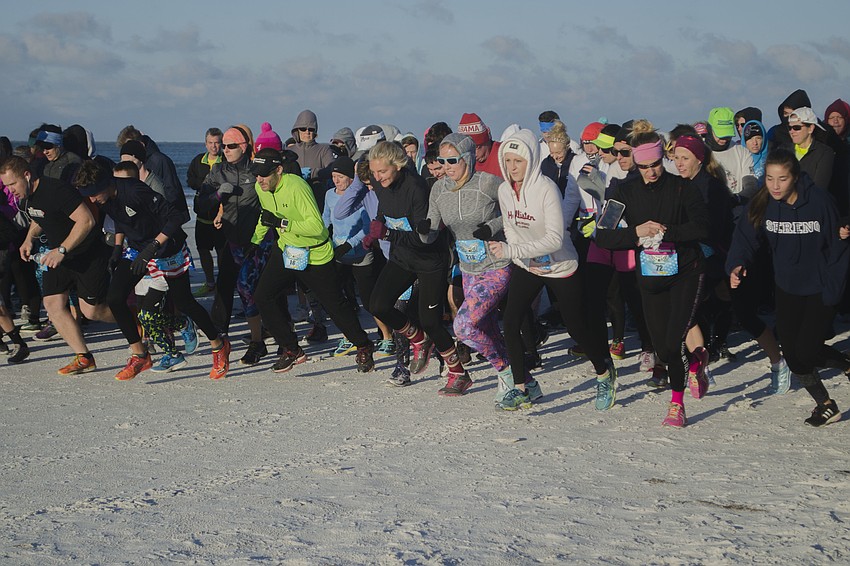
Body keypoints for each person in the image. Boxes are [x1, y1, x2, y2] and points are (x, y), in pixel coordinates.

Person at [489, 129, 616, 411]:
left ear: (531, 160)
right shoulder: (503, 190)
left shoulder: (546, 188)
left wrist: (513, 252)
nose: (512, 168)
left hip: (561, 265)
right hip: (529, 265)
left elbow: (555, 238)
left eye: (518, 161)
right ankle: (524, 387)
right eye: (508, 161)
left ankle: (604, 372)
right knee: (510, 320)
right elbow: (510, 227)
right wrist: (518, 253)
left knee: (577, 327)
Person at [595, 120, 711, 427]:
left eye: (656, 164)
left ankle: (676, 404)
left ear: (665, 159)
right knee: (662, 347)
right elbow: (602, 235)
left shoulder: (684, 188)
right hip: (650, 275)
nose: (651, 172)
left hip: (685, 271)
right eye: (644, 166)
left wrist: (666, 231)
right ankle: (698, 359)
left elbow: (704, 227)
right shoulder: (624, 191)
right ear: (636, 162)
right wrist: (636, 232)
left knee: (673, 343)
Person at [75, 161, 232, 380]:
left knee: (185, 302)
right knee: (115, 298)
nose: (91, 200)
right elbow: (120, 218)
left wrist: (153, 247)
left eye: (93, 194)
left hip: (167, 248)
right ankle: (140, 355)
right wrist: (117, 249)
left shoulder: (135, 191)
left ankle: (219, 344)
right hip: (138, 250)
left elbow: (176, 217)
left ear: (105, 183)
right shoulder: (104, 197)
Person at [727, 149, 850, 427]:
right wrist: (736, 264)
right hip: (786, 287)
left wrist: (834, 288)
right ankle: (826, 405)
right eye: (770, 178)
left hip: (820, 287)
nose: (775, 185)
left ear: (795, 177)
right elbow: (745, 238)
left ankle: (845, 364)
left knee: (807, 351)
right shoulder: (763, 202)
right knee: (793, 357)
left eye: (782, 179)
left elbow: (839, 246)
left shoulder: (818, 201)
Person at [419, 133, 529, 399]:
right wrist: (424, 231)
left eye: (452, 160)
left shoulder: (488, 183)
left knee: (464, 327)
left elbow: (514, 210)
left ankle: (504, 373)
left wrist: (490, 227)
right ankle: (525, 381)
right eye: (441, 161)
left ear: (467, 158)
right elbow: (431, 229)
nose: (446, 167)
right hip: (469, 269)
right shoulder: (438, 189)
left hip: (497, 264)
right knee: (487, 329)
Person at [249, 148, 375, 373]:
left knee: (335, 306)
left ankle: (363, 345)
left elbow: (317, 228)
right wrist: (255, 241)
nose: (260, 179)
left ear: (278, 170)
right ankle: (291, 349)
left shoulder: (297, 187)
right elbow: (266, 216)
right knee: (262, 296)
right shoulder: (262, 187)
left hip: (315, 252)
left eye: (264, 174)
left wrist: (282, 224)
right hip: (287, 249)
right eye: (256, 174)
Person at [366, 141, 470, 388]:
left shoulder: (416, 188)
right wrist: (374, 231)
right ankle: (417, 339)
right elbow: (386, 214)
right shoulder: (383, 187)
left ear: (398, 166)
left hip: (429, 260)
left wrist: (388, 235)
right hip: (402, 257)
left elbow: (425, 238)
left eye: (382, 171)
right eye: (374, 172)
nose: (377, 177)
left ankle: (458, 373)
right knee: (377, 305)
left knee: (431, 321)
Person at [0, 156, 115, 375]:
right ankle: (84, 357)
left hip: (86, 255)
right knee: (53, 305)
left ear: (27, 175)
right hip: (59, 255)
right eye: (6, 186)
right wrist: (29, 239)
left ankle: (135, 320)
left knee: (92, 311)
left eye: (12, 184)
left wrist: (62, 250)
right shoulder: (28, 196)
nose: (10, 190)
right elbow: (40, 216)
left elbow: (87, 220)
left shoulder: (56, 190)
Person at [196, 125, 273, 365]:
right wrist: (218, 197)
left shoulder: (256, 170)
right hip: (231, 241)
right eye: (224, 146)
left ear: (244, 146)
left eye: (231, 146)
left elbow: (272, 200)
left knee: (250, 289)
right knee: (234, 286)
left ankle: (261, 340)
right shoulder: (218, 171)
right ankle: (234, 332)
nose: (225, 150)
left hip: (258, 241)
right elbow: (200, 204)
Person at [322, 156, 395, 358]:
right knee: (339, 298)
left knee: (369, 299)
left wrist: (349, 244)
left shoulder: (363, 194)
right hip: (338, 253)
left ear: (351, 178)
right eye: (333, 176)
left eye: (340, 176)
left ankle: (387, 337)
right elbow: (326, 220)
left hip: (360, 253)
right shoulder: (329, 194)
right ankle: (350, 336)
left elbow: (367, 227)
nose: (336, 180)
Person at [186, 127, 226, 297]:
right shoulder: (197, 161)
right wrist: (205, 184)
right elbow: (190, 179)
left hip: (222, 216)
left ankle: (224, 284)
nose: (214, 146)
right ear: (206, 143)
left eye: (217, 143)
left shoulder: (226, 160)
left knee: (223, 253)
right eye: (210, 143)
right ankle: (210, 282)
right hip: (202, 216)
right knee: (203, 250)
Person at [784, 107, 835, 193]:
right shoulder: (783, 150)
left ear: (811, 128)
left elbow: (819, 187)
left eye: (797, 127)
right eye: (790, 128)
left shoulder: (825, 153)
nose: (792, 131)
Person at [457, 113, 502, 178]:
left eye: (476, 147)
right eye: (467, 149)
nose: (472, 153)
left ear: (487, 140)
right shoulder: (464, 162)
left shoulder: (503, 154)